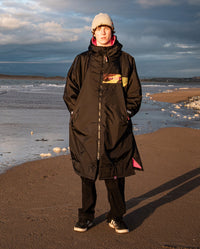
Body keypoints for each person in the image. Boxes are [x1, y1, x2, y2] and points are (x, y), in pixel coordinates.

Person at [63, 13, 143, 234]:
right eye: (99, 28)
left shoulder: (126, 60)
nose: (103, 31)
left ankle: (116, 216)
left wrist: (125, 113)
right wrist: (76, 114)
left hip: (115, 129)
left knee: (114, 175)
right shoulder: (82, 60)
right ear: (93, 32)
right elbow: (70, 91)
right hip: (86, 128)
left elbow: (134, 93)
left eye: (107, 28)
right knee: (87, 174)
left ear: (112, 31)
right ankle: (86, 217)